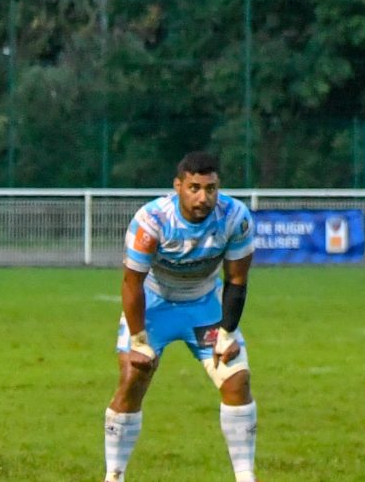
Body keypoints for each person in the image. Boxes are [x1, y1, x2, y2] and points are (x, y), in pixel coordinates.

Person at [105, 151, 257, 482]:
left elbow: (237, 281)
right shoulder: (151, 221)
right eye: (194, 188)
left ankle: (246, 477)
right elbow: (132, 284)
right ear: (178, 186)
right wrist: (138, 340)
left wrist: (227, 334)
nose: (204, 197)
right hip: (155, 307)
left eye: (211, 188)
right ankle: (114, 476)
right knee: (132, 378)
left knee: (237, 380)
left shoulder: (236, 218)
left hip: (204, 308)